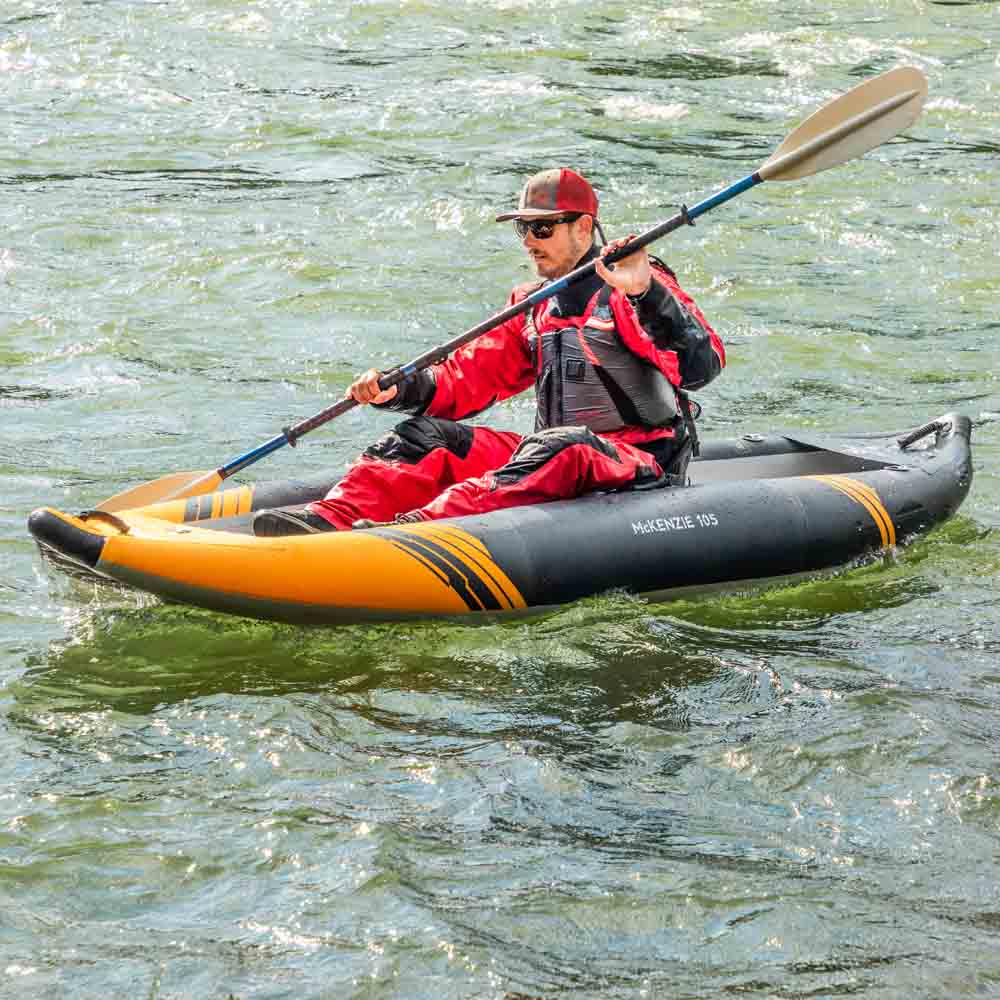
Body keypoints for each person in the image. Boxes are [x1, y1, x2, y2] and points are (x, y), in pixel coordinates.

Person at [252, 167, 725, 536]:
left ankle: (417, 532)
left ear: (583, 228)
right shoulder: (533, 304)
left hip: (640, 461)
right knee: (424, 436)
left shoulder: (637, 284)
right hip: (559, 454)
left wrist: (646, 293)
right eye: (523, 230)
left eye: (542, 230)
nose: (528, 242)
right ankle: (330, 520)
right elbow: (467, 380)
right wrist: (398, 389)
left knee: (564, 447)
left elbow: (702, 366)